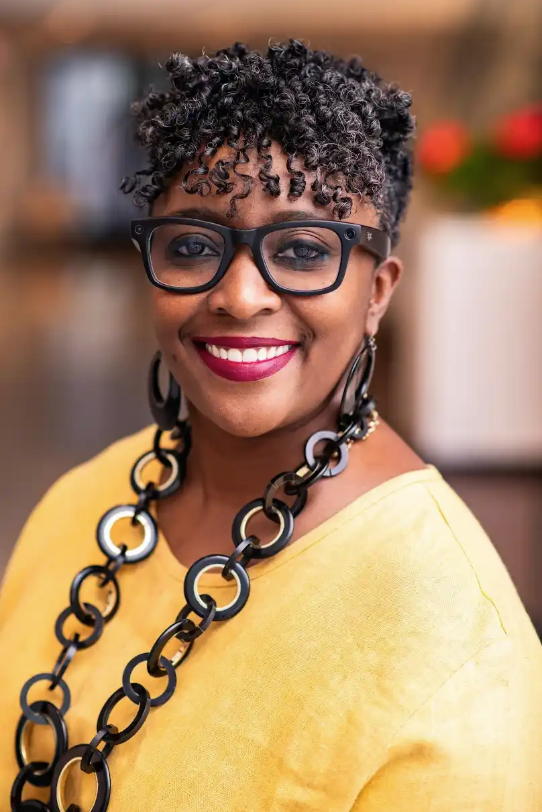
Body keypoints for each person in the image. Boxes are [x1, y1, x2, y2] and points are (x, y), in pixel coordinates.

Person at [1, 39, 541, 812]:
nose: (240, 295)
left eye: (301, 249)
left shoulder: (457, 646)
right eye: (192, 245)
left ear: (379, 291)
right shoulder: (78, 505)